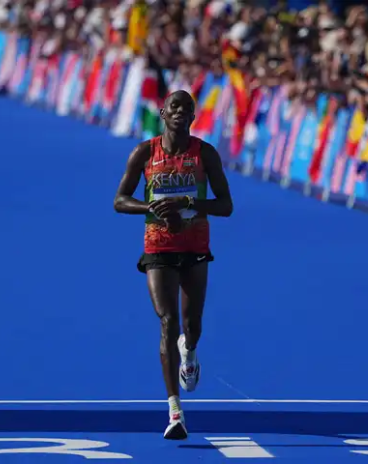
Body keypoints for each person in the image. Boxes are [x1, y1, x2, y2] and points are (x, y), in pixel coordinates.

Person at [113, 90, 233, 440]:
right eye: (175, 107)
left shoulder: (205, 154)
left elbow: (226, 205)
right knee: (168, 321)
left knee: (191, 326)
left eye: (188, 109)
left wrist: (190, 202)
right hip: (158, 246)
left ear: (193, 118)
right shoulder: (144, 152)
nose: (181, 112)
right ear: (163, 113)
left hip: (194, 244)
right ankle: (175, 411)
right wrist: (151, 210)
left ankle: (190, 352)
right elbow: (120, 200)